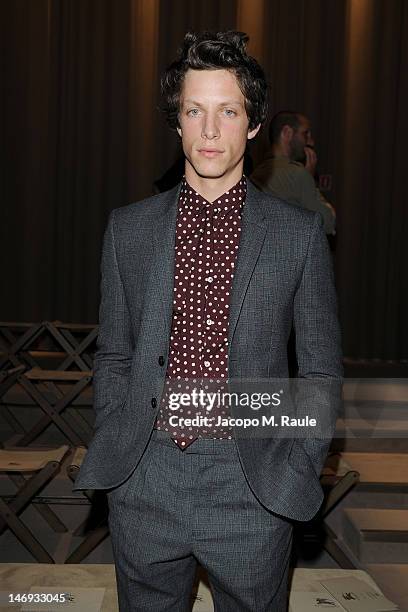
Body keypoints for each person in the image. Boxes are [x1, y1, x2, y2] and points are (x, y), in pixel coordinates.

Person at [75, 31, 343, 611]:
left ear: (253, 124)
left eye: (228, 111)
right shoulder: (129, 229)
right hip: (146, 476)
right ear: (178, 123)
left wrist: (294, 467)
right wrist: (122, 448)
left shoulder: (295, 236)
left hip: (250, 481)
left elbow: (320, 368)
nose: (210, 130)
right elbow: (115, 354)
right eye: (194, 111)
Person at [251, 111, 336, 235]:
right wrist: (309, 179)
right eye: (305, 134)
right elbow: (328, 222)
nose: (310, 142)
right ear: (287, 133)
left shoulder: (256, 173)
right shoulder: (297, 174)